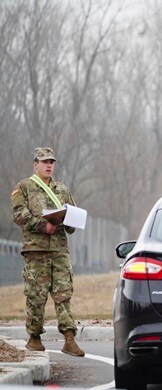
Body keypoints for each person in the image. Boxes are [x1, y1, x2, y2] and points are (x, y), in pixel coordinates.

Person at [11, 147, 85, 357]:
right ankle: (34, 338)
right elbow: (19, 214)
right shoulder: (24, 187)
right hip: (36, 251)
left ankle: (69, 339)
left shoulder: (62, 189)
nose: (49, 165)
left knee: (64, 294)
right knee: (36, 295)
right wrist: (43, 225)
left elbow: (73, 215)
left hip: (59, 250)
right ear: (35, 164)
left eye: (51, 162)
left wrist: (70, 221)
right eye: (44, 162)